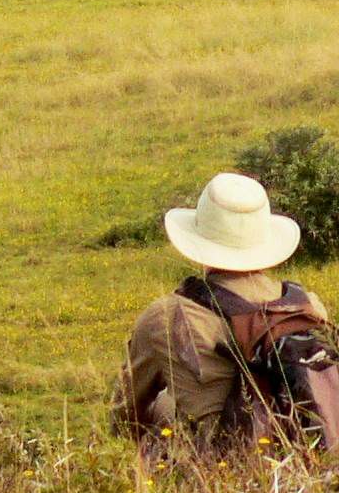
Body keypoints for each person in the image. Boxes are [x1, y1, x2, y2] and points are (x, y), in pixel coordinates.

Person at [122, 173, 336, 458]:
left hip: (234, 465)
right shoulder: (306, 305)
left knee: (160, 409)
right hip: (320, 458)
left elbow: (127, 411)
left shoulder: (167, 316)